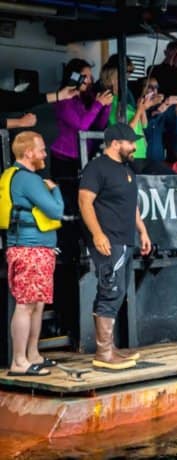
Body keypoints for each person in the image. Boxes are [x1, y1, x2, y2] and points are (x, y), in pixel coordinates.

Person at [78, 123, 151, 370]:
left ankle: (109, 348)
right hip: (109, 238)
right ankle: (103, 352)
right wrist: (97, 234)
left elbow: (132, 205)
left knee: (118, 290)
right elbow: (84, 201)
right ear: (116, 143)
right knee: (109, 289)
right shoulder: (97, 167)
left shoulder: (125, 168)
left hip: (126, 237)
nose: (134, 147)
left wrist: (142, 230)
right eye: (131, 142)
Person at [3, 132, 64, 376]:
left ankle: (32, 354)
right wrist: (55, 189)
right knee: (26, 304)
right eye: (41, 149)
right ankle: (19, 362)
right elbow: (56, 210)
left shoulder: (23, 177)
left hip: (36, 248)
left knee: (36, 304)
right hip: (29, 249)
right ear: (28, 152)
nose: (45, 154)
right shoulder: (28, 179)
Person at [51, 59, 112, 191]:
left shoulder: (84, 98)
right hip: (64, 158)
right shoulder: (64, 100)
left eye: (90, 76)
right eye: (86, 76)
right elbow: (81, 126)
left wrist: (106, 107)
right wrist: (98, 104)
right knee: (69, 198)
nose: (90, 81)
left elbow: (98, 127)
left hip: (84, 156)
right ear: (74, 76)